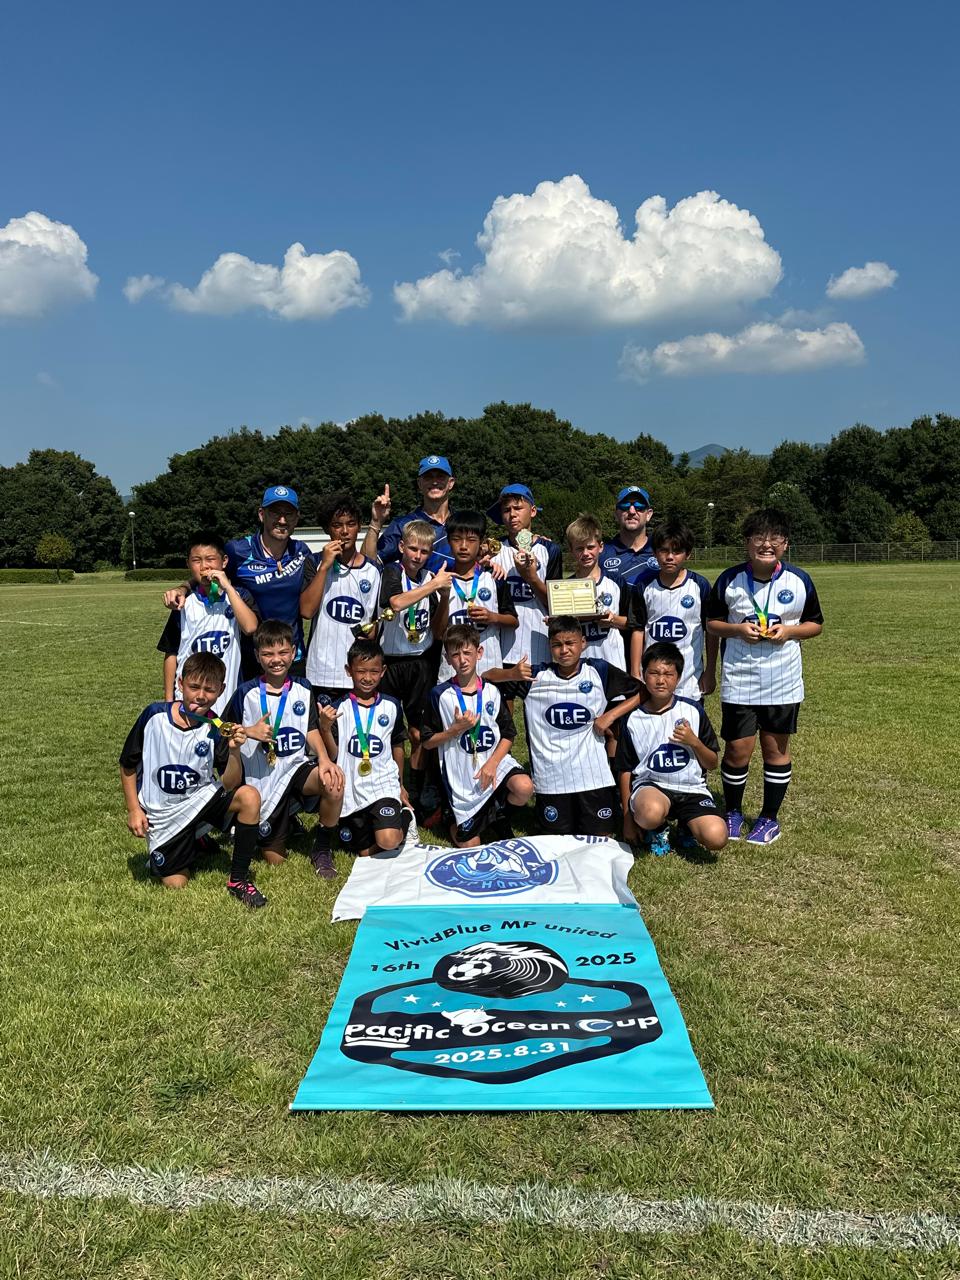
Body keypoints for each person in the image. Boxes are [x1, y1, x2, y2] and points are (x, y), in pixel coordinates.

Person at [706, 508, 824, 845]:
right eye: (759, 537)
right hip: (740, 679)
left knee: (775, 750)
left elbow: (816, 624)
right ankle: (733, 812)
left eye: (775, 538)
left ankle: (769, 819)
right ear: (747, 542)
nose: (767, 544)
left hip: (782, 680)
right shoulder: (729, 580)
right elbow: (712, 624)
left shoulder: (799, 580)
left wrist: (788, 631)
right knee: (737, 751)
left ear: (785, 544)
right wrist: (737, 630)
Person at [119, 652, 268, 908]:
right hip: (163, 813)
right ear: (180, 683)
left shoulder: (217, 727)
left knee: (249, 797)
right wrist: (134, 809)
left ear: (221, 690)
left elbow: (230, 783)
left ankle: (238, 880)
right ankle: (190, 840)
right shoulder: (153, 715)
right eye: (194, 687)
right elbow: (127, 765)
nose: (200, 696)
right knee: (176, 883)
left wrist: (234, 751)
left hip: (199, 801)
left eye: (209, 690)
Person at [227, 620, 345, 879]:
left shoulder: (304, 687)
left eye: (282, 652)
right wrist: (249, 731)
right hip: (263, 779)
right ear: (257, 656)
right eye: (268, 654)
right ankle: (284, 819)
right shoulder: (245, 693)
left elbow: (310, 728)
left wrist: (324, 759)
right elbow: (223, 731)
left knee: (333, 781)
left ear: (293, 653)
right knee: (275, 859)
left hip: (295, 768)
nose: (276, 660)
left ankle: (322, 848)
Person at [505, 616, 642, 837]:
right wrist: (510, 673)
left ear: (583, 643)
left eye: (570, 643)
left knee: (601, 839)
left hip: (593, 776)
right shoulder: (535, 676)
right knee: (556, 841)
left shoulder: (598, 670)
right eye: (557, 645)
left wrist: (610, 715)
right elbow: (487, 677)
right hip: (552, 778)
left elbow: (642, 692)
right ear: (549, 647)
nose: (564, 650)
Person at [162, 486, 314, 676]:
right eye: (275, 512)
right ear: (262, 514)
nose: (282, 520)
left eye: (288, 514)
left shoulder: (301, 551)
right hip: (251, 657)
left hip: (291, 656)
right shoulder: (238, 551)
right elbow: (210, 570)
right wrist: (183, 588)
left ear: (297, 518)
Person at [422, 623, 534, 847]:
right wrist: (454, 730)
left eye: (467, 653)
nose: (462, 660)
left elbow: (509, 734)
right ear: (447, 658)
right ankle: (450, 818)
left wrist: (492, 763)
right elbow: (426, 742)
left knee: (524, 787)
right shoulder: (439, 695)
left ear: (479, 652)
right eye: (455, 655)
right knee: (470, 846)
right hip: (462, 777)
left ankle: (500, 816)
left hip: (493, 764)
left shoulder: (492, 690)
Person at [617, 641, 727, 857]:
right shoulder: (632, 718)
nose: (661, 680)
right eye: (654, 673)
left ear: (678, 677)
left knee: (717, 837)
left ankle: (687, 826)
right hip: (653, 787)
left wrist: (694, 742)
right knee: (649, 813)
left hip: (691, 788)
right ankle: (658, 829)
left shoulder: (693, 710)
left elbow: (712, 763)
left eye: (668, 674)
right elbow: (625, 769)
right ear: (643, 674)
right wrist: (628, 818)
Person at [378, 519, 452, 819]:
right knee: (387, 729)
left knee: (419, 733)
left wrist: (444, 597)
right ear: (401, 547)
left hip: (421, 662)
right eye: (413, 549)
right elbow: (395, 603)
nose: (418, 556)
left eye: (424, 551)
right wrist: (432, 586)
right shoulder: (391, 572)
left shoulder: (431, 578)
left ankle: (417, 789)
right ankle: (389, 787)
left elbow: (438, 629)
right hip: (390, 662)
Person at [315, 638, 412, 857]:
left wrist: (400, 784)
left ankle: (406, 819)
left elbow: (397, 744)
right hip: (353, 787)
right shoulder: (338, 708)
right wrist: (325, 728)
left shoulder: (392, 705)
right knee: (361, 851)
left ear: (383, 671)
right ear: (348, 671)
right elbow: (334, 754)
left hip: (383, 785)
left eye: (374, 671)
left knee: (387, 841)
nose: (368, 678)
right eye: (361, 671)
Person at [157, 532, 259, 714]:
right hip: (188, 699)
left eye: (211, 559)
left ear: (224, 561)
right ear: (188, 564)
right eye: (197, 561)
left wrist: (227, 587)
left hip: (227, 696)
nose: (204, 566)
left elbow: (250, 627)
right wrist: (169, 700)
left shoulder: (239, 596)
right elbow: (171, 652)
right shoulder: (183, 602)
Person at [300, 491, 381, 709]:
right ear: (328, 529)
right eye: (337, 525)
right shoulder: (314, 562)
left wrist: (372, 631)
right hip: (322, 671)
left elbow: (375, 623)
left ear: (359, 527)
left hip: (360, 673)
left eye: (351, 524)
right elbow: (307, 611)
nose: (344, 531)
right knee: (324, 729)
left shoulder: (374, 570)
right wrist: (325, 567)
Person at [628, 519, 716, 700]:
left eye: (676, 551)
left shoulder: (700, 586)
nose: (669, 557)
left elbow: (711, 631)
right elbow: (638, 629)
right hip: (653, 679)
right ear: (654, 553)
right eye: (664, 550)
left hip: (690, 681)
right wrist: (635, 671)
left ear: (688, 554)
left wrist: (710, 671)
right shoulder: (644, 586)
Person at [489, 484, 563, 677]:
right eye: (506, 510)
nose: (512, 514)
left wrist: (531, 578)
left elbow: (558, 604)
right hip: (501, 647)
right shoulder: (493, 550)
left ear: (532, 511)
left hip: (538, 644)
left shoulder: (550, 550)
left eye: (518, 508)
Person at [436, 510, 518, 682]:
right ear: (448, 541)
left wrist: (492, 617)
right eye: (457, 539)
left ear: (481, 542)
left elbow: (513, 621)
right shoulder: (438, 580)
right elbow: (437, 633)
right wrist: (444, 597)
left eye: (471, 540)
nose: (463, 546)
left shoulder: (494, 578)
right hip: (451, 673)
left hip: (489, 669)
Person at [365, 456, 457, 571]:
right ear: (419, 483)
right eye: (428, 477)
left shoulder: (462, 524)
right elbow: (368, 568)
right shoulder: (402, 525)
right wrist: (375, 523)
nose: (434, 482)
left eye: (440, 477)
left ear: (451, 483)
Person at [565, 513, 628, 669]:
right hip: (579, 666)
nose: (586, 553)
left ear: (601, 547)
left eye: (590, 547)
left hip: (613, 662)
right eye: (579, 548)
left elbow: (632, 623)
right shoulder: (566, 586)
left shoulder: (617, 582)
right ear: (571, 550)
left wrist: (613, 619)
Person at [599, 485, 659, 588]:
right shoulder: (601, 553)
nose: (632, 511)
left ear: (648, 514)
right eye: (625, 506)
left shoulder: (662, 550)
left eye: (639, 506)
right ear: (616, 514)